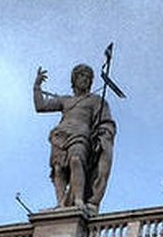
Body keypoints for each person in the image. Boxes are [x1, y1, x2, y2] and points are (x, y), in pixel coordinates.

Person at [33, 64, 115, 212]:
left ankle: (78, 200)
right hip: (60, 135)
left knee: (76, 160)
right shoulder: (66, 100)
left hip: (81, 134)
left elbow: (106, 122)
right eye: (82, 76)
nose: (85, 80)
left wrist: (103, 135)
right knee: (58, 169)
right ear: (74, 79)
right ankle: (61, 204)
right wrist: (37, 87)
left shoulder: (96, 100)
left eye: (88, 78)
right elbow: (41, 106)